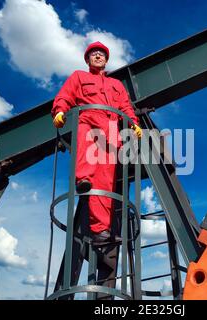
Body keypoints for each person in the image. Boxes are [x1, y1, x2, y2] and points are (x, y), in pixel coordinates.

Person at [51, 41, 142, 243]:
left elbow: (126, 107)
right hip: (88, 120)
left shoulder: (116, 85)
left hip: (110, 131)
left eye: (101, 54)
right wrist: (59, 111)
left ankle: (101, 230)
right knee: (85, 154)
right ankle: (82, 179)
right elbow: (66, 95)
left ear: (106, 59)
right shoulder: (79, 76)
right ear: (88, 59)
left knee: (105, 183)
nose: (98, 56)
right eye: (94, 54)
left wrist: (133, 123)